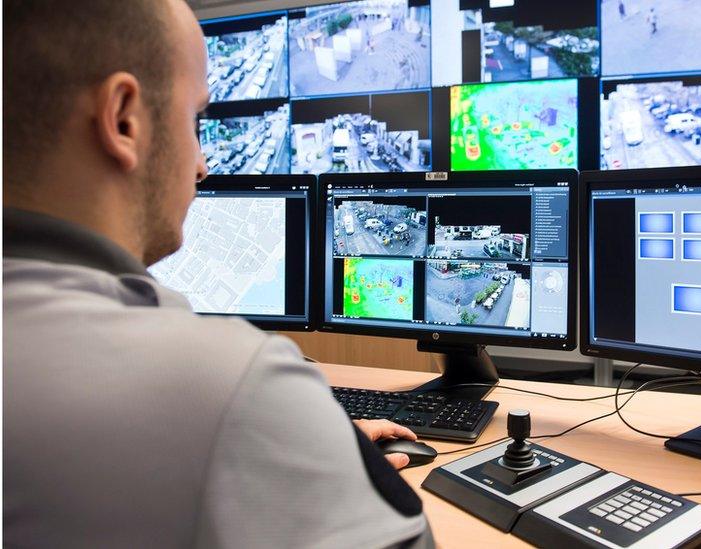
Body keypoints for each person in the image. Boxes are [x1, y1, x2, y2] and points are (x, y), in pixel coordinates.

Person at [2, 1, 432, 547]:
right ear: (123, 119)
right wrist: (302, 439)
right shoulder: (229, 381)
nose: (204, 163)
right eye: (195, 119)